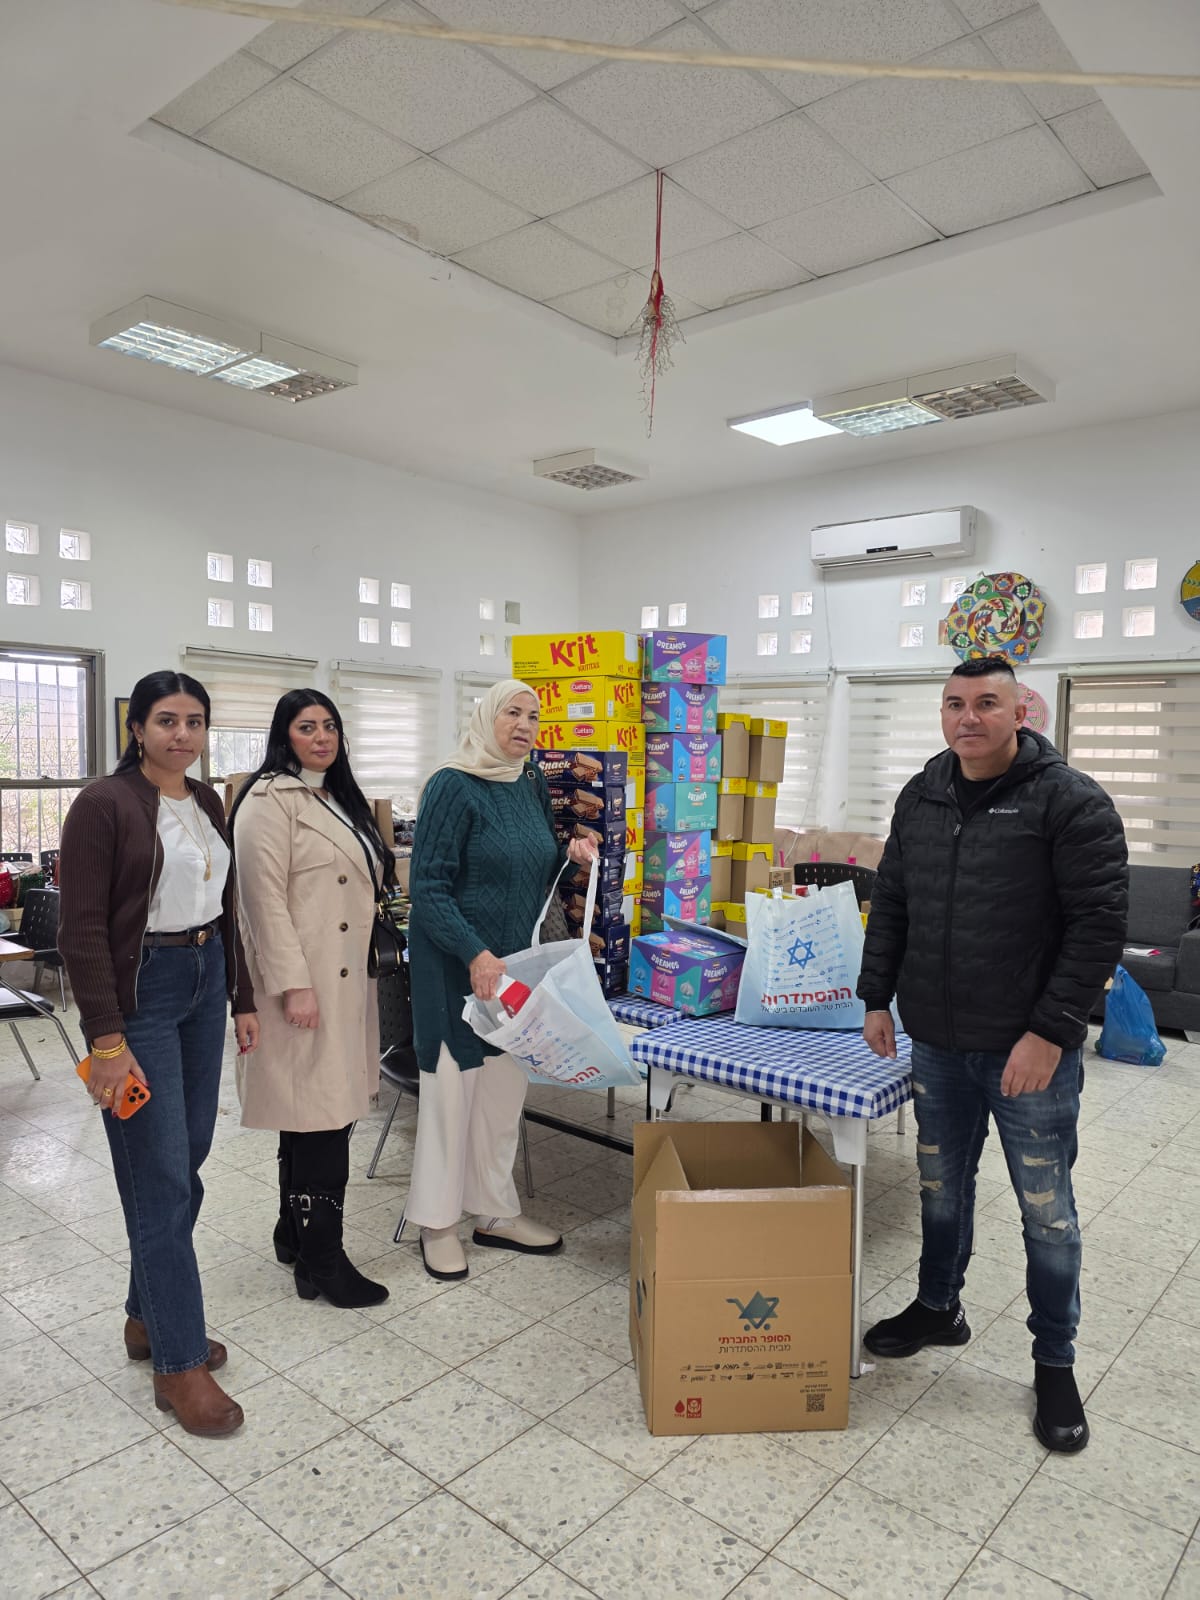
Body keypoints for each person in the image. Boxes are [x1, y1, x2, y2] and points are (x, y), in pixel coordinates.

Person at [857, 655, 1127, 1453]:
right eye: (954, 704)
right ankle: (939, 1308)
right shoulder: (923, 793)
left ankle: (1055, 1363)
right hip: (939, 1043)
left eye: (985, 703)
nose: (967, 718)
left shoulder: (1069, 800)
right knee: (941, 1191)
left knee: (1048, 1214)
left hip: (1026, 1052)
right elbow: (893, 901)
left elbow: (1098, 925)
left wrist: (1051, 1032)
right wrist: (876, 997)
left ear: (1019, 713)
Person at [58, 670, 258, 1438]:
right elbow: (80, 929)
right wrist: (106, 1041)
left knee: (186, 1157)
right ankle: (178, 1360)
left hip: (204, 977)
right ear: (137, 728)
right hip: (141, 992)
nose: (183, 734)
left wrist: (241, 996)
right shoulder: (104, 804)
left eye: (195, 721)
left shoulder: (206, 801)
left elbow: (227, 906)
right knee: (162, 1174)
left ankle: (147, 1316)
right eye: (167, 720)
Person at [407, 679, 597, 1281]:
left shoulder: (530, 780)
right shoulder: (451, 784)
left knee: (501, 1096)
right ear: (486, 717)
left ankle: (493, 1212)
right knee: (451, 1098)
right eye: (512, 712)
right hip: (455, 971)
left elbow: (530, 864)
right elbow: (427, 890)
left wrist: (570, 854)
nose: (524, 725)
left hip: (514, 972)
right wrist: (474, 952)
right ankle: (436, 1224)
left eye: (533, 716)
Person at [230, 690, 393, 1309]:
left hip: (344, 978)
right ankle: (324, 1258)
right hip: (304, 984)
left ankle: (293, 1235)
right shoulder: (267, 801)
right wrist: (294, 985)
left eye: (330, 726)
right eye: (306, 727)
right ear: (283, 735)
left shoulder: (339, 797)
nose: (321, 737)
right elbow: (261, 903)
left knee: (316, 1114)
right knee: (320, 1117)